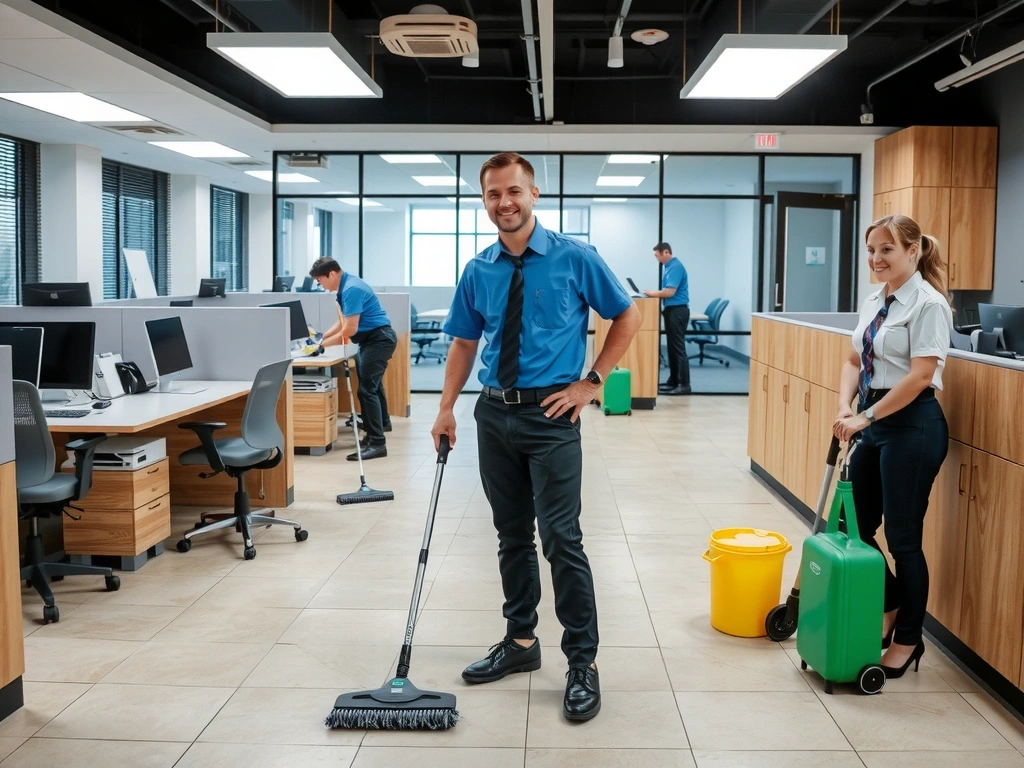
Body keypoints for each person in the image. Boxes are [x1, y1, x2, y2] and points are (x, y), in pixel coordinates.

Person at [431, 152, 641, 722]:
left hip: (552, 419)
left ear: (535, 194)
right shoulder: (479, 269)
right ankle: (521, 642)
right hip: (493, 415)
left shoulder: (575, 257)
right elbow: (463, 343)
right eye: (494, 194)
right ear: (485, 201)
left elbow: (627, 315)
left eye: (514, 191)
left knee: (561, 538)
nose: (505, 203)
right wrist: (446, 408)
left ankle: (582, 662)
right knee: (511, 536)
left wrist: (591, 382)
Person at [832, 214, 953, 678]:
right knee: (850, 524)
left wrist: (866, 415)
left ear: (913, 250)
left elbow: (921, 375)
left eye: (886, 250)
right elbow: (852, 358)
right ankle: (891, 606)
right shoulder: (873, 299)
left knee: (903, 540)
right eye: (871, 250)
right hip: (873, 419)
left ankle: (907, 639)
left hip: (913, 426)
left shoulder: (928, 303)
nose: (876, 259)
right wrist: (846, 405)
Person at [309, 257, 397, 461]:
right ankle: (378, 429)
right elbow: (342, 323)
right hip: (372, 340)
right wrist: (321, 338)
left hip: (379, 340)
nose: (320, 285)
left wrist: (321, 345)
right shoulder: (345, 287)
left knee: (367, 390)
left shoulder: (351, 290)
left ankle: (377, 443)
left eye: (319, 280)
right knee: (371, 386)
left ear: (331, 273)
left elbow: (349, 330)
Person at [645, 242, 691, 395]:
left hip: (678, 310)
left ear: (666, 252)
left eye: (657, 255)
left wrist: (652, 293)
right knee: (672, 348)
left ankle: (684, 384)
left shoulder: (675, 266)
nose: (657, 259)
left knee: (678, 348)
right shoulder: (669, 267)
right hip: (672, 310)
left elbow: (670, 292)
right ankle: (673, 381)